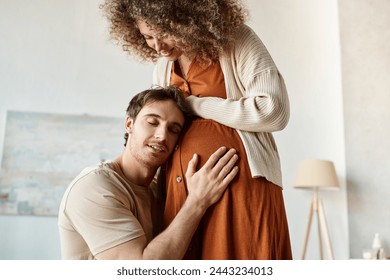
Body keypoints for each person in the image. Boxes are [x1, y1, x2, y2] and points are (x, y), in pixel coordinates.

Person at [101, 0, 292, 260]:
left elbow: (274, 110)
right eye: (147, 37)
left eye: (164, 33)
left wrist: (194, 105)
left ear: (187, 19)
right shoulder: (163, 67)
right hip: (183, 194)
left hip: (237, 186)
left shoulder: (236, 39)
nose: (157, 46)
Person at [58, 86, 239, 259]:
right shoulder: (93, 188)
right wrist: (197, 201)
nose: (162, 135)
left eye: (173, 129)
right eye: (152, 122)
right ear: (129, 124)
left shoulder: (158, 189)